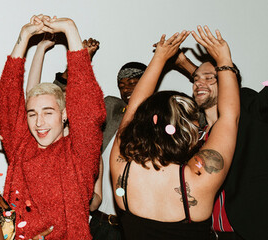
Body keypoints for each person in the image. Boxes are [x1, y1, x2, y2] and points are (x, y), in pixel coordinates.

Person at [109, 27, 240, 239]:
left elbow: (133, 109)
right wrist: (224, 58)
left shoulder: (122, 165)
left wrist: (159, 58)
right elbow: (229, 117)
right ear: (188, 130)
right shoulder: (198, 180)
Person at [0, 15, 105, 239]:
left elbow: (88, 108)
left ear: (65, 114)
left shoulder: (78, 155)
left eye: (48, 113)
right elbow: (7, 98)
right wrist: (25, 36)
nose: (39, 123)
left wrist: (69, 29)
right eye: (32, 114)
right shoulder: (21, 148)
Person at [172, 35, 268, 240]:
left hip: (249, 231)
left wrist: (220, 64)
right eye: (195, 79)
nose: (198, 83)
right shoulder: (196, 136)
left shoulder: (249, 111)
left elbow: (227, 95)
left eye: (209, 78)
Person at [91, 62, 147, 240]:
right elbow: (72, 105)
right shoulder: (113, 110)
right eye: (121, 86)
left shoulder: (159, 120)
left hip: (136, 228)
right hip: (101, 224)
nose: (126, 89)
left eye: (132, 82)